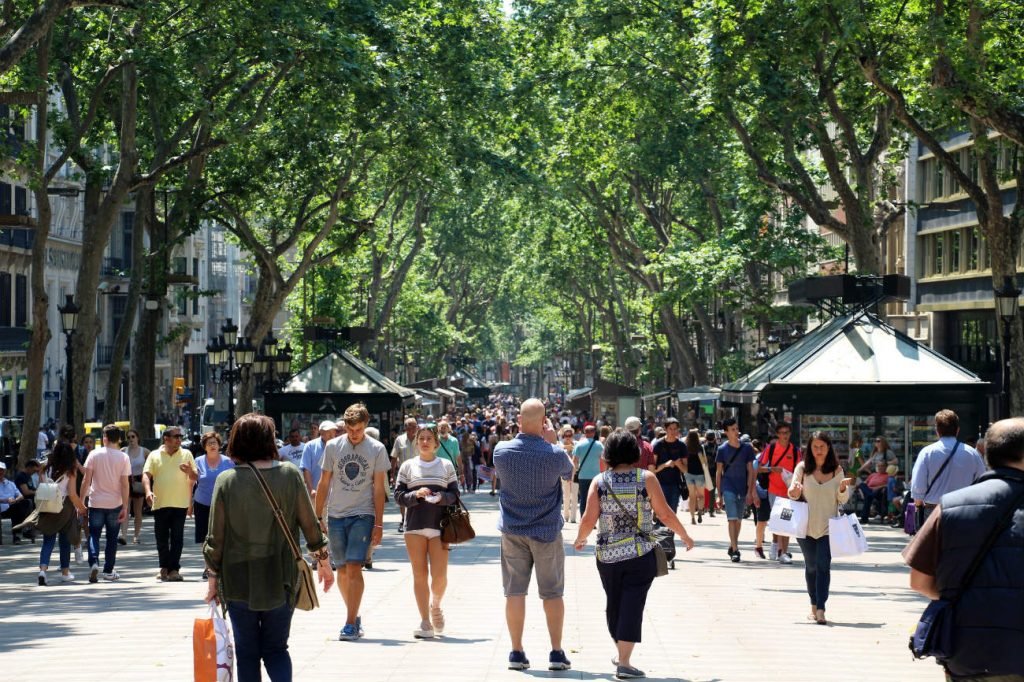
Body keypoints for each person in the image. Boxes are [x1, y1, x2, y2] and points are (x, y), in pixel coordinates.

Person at [203, 413, 334, 682]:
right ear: (269, 440)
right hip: (281, 576)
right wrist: (324, 564)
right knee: (276, 649)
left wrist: (212, 579)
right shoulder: (289, 474)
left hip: (238, 579)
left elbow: (216, 537)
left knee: (247, 653)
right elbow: (310, 524)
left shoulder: (226, 481)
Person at [903, 417, 1024, 681]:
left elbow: (919, 580)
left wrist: (959, 595)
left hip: (965, 649)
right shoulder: (968, 455)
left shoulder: (949, 507)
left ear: (989, 454)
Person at [574, 430, 695, 680]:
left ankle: (621, 654)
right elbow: (664, 514)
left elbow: (589, 517)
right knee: (632, 604)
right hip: (640, 553)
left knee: (614, 603)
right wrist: (684, 535)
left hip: (607, 555)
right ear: (635, 452)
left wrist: (580, 538)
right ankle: (625, 661)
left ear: (607, 455)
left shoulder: (599, 481)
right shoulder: (646, 478)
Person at [492, 398, 574, 672]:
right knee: (552, 593)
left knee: (514, 591)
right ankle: (556, 652)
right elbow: (569, 472)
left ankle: (516, 651)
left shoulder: (501, 452)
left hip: (513, 530)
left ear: (518, 422)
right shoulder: (554, 454)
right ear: (544, 422)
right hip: (547, 531)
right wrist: (552, 441)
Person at [315, 402, 388, 641]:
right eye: (350, 429)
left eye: (358, 429)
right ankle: (353, 613)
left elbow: (379, 489)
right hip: (336, 514)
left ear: (366, 425)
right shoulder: (334, 446)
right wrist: (317, 516)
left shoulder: (376, 449)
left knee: (355, 566)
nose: (354, 434)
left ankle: (349, 623)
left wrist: (378, 523)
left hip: (362, 514)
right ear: (344, 426)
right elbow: (324, 482)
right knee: (343, 571)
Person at [394, 425, 461, 639]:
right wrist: (415, 495)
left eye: (428, 438)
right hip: (414, 526)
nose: (424, 442)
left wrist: (442, 497)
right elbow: (398, 495)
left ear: (436, 443)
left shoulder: (446, 465)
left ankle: (436, 605)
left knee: (440, 576)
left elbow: (455, 495)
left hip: (440, 526)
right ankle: (424, 621)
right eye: (421, 438)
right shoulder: (407, 466)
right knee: (419, 574)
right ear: (416, 443)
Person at [788, 431, 854, 625]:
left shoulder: (836, 470)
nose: (818, 451)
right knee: (811, 567)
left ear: (828, 448)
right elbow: (792, 492)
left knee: (824, 566)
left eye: (822, 447)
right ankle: (813, 604)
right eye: (815, 447)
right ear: (809, 448)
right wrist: (794, 491)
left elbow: (843, 499)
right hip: (805, 527)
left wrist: (842, 489)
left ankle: (821, 609)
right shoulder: (802, 468)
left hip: (828, 528)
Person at [911, 409, 986, 526]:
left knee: (935, 544)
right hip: (964, 510)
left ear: (937, 430)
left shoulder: (927, 453)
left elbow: (918, 486)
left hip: (934, 510)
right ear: (957, 430)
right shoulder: (972, 453)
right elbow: (982, 484)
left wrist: (919, 505)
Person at [143, 425, 198, 582]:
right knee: (161, 537)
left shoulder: (186, 454)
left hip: (180, 503)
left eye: (180, 437)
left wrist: (190, 472)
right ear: (166, 439)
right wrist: (148, 491)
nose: (179, 439)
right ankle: (164, 567)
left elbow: (195, 476)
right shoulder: (154, 455)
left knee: (177, 538)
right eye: (176, 437)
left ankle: (174, 569)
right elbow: (146, 475)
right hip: (160, 502)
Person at [80, 424, 131, 582]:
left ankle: (94, 562)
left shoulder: (94, 454)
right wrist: (125, 506)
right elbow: (124, 484)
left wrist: (81, 502)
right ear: (119, 439)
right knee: (112, 538)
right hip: (114, 503)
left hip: (96, 502)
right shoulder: (123, 457)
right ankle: (108, 570)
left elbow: (86, 480)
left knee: (93, 535)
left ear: (104, 438)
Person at [35, 442, 86, 584]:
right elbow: (72, 494)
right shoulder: (71, 470)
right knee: (64, 541)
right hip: (64, 507)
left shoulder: (45, 467)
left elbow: (41, 486)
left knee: (48, 540)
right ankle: (65, 572)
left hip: (47, 506)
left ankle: (43, 570)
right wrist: (82, 508)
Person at [757, 422, 800, 564]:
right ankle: (775, 544)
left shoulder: (795, 451)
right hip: (773, 490)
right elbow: (760, 468)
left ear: (790, 433)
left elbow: (800, 471)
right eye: (781, 432)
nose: (784, 435)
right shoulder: (771, 448)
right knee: (777, 519)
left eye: (787, 432)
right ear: (777, 434)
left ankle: (783, 552)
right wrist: (771, 469)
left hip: (789, 491)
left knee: (786, 520)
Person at [715, 418, 756, 562]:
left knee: (738, 520)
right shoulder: (722, 449)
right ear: (726, 432)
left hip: (742, 488)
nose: (736, 431)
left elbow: (751, 470)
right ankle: (736, 550)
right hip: (728, 487)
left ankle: (733, 545)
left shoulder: (747, 448)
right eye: (732, 429)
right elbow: (718, 473)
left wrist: (751, 491)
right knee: (732, 519)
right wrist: (719, 495)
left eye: (737, 428)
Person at [193, 432, 234, 559]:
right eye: (209, 443)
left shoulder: (228, 462)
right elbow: (191, 482)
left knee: (222, 535)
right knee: (204, 536)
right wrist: (189, 504)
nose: (212, 445)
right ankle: (207, 565)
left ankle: (220, 564)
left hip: (223, 504)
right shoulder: (198, 461)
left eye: (214, 443)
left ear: (219, 445)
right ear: (204, 446)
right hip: (202, 503)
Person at [651, 419, 685, 521]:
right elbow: (653, 469)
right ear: (665, 429)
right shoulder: (658, 445)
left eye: (675, 429)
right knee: (662, 513)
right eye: (670, 429)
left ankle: (669, 536)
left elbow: (685, 470)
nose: (673, 431)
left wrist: (679, 464)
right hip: (660, 484)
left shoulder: (681, 446)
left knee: (672, 513)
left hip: (676, 484)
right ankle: (662, 533)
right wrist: (665, 465)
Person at [121, 429, 149, 544]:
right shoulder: (123, 451)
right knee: (125, 509)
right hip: (126, 480)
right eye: (128, 437)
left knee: (138, 511)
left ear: (137, 438)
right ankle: (123, 535)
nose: (131, 439)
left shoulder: (145, 451)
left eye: (133, 436)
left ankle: (136, 536)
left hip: (138, 481)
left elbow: (153, 461)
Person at [391, 417, 419, 532]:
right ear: (405, 428)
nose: (412, 429)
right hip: (403, 474)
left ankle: (415, 520)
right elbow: (394, 457)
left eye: (414, 426)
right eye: (410, 426)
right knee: (402, 497)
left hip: (418, 473)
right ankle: (403, 520)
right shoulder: (399, 440)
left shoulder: (421, 439)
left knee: (417, 496)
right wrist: (392, 475)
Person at [300, 420, 337, 499]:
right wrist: (311, 490)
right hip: (316, 494)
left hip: (335, 496)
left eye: (333, 431)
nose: (331, 434)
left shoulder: (339, 446)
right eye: (328, 431)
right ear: (321, 432)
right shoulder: (310, 446)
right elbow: (306, 469)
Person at [573, 424, 604, 517]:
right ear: (594, 433)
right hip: (596, 476)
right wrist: (603, 473)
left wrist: (575, 472)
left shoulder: (579, 444)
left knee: (583, 498)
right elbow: (603, 460)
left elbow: (574, 461)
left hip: (582, 476)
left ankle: (583, 518)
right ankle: (593, 519)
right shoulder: (599, 445)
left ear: (584, 433)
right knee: (595, 499)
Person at [0, 461, 31, 543]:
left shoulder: (11, 484)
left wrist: (15, 500)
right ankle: (22, 529)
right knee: (17, 509)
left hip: (14, 506)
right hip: (2, 507)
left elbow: (21, 495)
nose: (0, 472)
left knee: (25, 503)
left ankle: (18, 534)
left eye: (2, 470)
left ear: (5, 471)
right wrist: (5, 500)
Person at [682, 430, 707, 526]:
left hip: (688, 474)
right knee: (701, 496)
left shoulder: (685, 448)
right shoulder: (699, 447)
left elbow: (684, 461)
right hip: (699, 474)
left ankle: (692, 517)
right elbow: (703, 462)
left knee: (692, 496)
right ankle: (700, 511)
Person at [436, 420, 464, 492]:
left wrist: (461, 474)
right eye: (441, 427)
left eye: (445, 427)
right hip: (437, 471)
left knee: (452, 493)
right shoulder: (435, 440)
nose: (442, 429)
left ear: (448, 429)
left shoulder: (454, 440)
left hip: (451, 471)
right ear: (438, 429)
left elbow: (458, 457)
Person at [560, 426, 578, 524]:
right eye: (565, 435)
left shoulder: (577, 445)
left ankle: (573, 517)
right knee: (566, 496)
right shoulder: (560, 446)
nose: (568, 437)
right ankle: (566, 515)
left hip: (575, 473)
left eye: (570, 435)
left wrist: (573, 447)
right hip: (564, 474)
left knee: (574, 496)